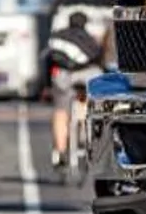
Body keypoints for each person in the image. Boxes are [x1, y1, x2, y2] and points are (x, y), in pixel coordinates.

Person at [45, 11, 107, 169]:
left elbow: (48, 61)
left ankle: (60, 152)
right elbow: (99, 60)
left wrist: (47, 86)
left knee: (61, 111)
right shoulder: (89, 39)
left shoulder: (57, 37)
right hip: (85, 76)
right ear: (84, 24)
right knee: (88, 95)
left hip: (62, 76)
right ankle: (85, 132)